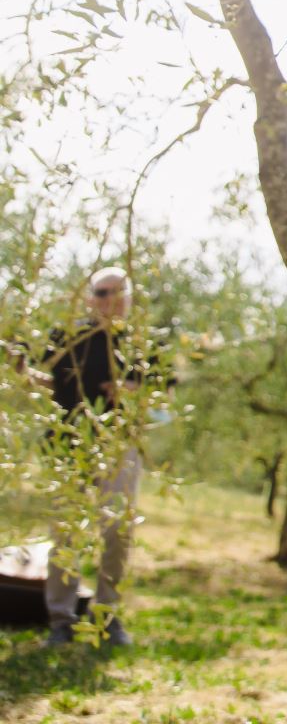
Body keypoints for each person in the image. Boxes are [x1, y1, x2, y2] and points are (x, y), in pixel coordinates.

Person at [29, 267, 147, 647]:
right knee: (65, 536)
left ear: (128, 297)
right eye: (101, 291)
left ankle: (107, 617)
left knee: (117, 532)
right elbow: (49, 380)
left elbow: (163, 397)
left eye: (116, 291)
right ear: (89, 297)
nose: (108, 298)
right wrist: (21, 371)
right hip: (68, 446)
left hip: (118, 448)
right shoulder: (68, 335)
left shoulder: (139, 343)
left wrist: (129, 390)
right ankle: (61, 621)